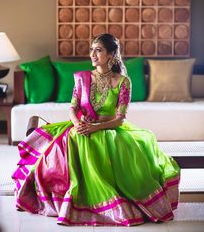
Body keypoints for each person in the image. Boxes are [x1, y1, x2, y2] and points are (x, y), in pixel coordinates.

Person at [12, 33, 180, 226]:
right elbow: (72, 108)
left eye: (98, 50)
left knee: (110, 147)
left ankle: (106, 201)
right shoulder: (82, 79)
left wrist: (96, 127)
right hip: (81, 127)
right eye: (92, 49)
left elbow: (120, 119)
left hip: (109, 130)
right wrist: (78, 124)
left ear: (111, 55)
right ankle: (69, 195)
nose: (93, 54)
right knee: (68, 140)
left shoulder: (123, 82)